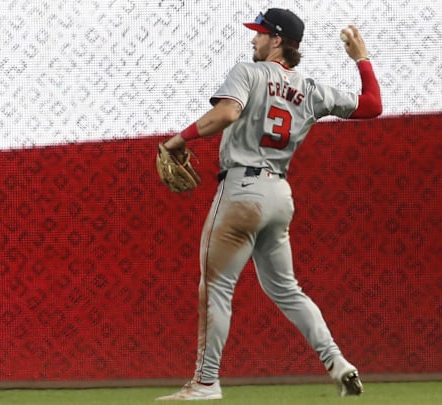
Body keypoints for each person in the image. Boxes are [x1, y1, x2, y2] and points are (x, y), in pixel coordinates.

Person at [155, 8, 382, 401]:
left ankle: (205, 383)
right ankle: (337, 362)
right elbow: (373, 105)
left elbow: (227, 112)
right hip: (279, 195)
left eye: (259, 33)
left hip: (242, 189)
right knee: (287, 289)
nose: (253, 40)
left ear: (277, 40)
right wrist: (361, 59)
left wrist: (180, 139)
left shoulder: (250, 72)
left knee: (216, 288)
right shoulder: (312, 91)